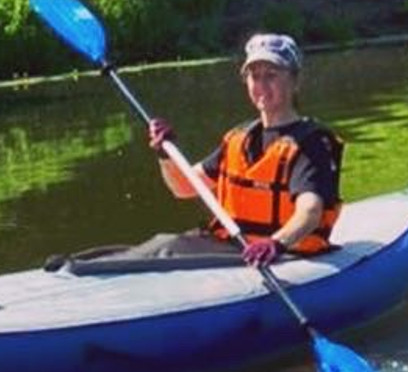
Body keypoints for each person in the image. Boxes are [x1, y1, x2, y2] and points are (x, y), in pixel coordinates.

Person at [137, 31, 344, 265]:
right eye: (254, 76)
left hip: (284, 256)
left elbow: (310, 212)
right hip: (231, 249)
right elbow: (183, 188)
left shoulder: (311, 143)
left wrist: (276, 243)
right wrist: (165, 153)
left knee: (166, 248)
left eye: (271, 75)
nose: (261, 85)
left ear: (295, 81)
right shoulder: (239, 138)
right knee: (163, 244)